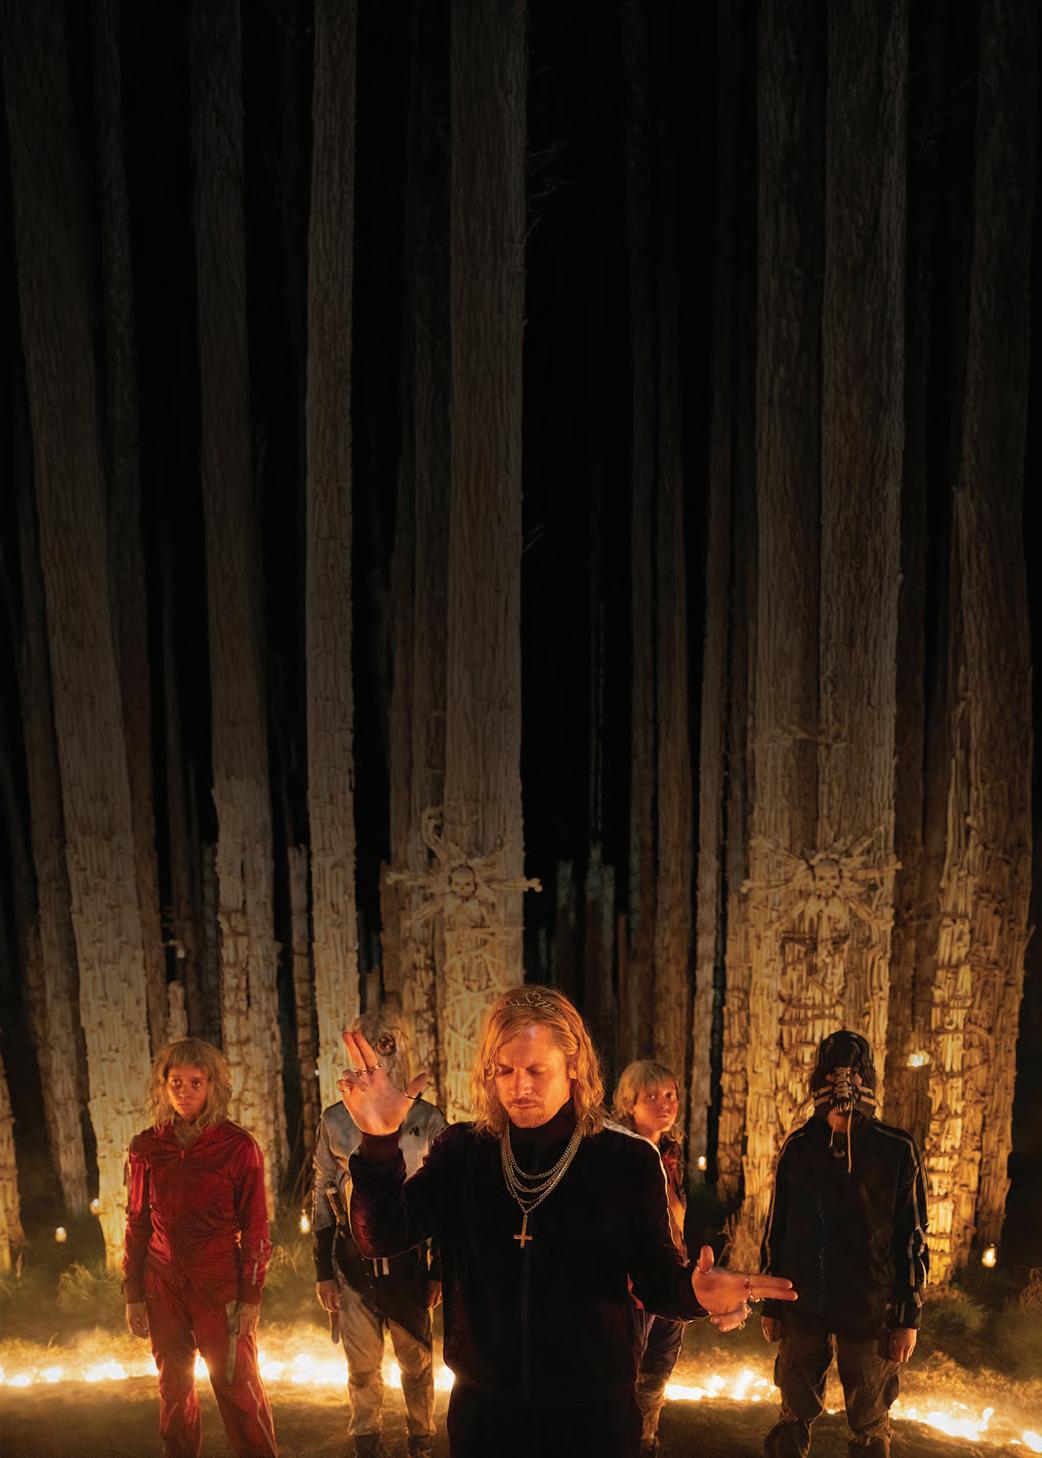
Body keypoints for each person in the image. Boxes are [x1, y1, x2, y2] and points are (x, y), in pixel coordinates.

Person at [338, 984, 797, 1458]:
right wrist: (379, 1141)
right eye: (504, 1070)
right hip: (485, 1416)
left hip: (592, 1418)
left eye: (537, 1070)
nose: (519, 1087)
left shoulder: (625, 1161)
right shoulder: (464, 1152)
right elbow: (380, 1235)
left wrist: (695, 1292)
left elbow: (655, 1278)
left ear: (574, 1065)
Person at [759, 1030, 929, 1458]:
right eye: (833, 1075)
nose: (843, 1086)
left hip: (870, 1302)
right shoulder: (799, 1148)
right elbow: (777, 1227)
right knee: (794, 1407)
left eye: (852, 1075)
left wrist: (907, 1317)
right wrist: (772, 1304)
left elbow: (912, 1236)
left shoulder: (896, 1150)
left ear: (865, 1079)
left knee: (870, 1415)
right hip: (804, 1298)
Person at [123, 1037, 278, 1458]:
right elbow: (137, 1222)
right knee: (173, 1390)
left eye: (196, 1082)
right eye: (176, 1081)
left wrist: (251, 1296)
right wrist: (134, 1292)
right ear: (163, 1085)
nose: (185, 1091)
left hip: (218, 1286)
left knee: (237, 1387)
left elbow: (256, 1227)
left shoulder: (238, 1147)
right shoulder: (148, 1147)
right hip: (162, 1287)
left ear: (213, 1086)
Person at [312, 1008, 446, 1458]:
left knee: (416, 1361)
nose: (378, 1056)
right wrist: (323, 1269)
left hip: (409, 1262)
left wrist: (438, 1269)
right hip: (353, 1261)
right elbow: (323, 1190)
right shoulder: (335, 1121)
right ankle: (366, 1438)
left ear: (401, 1048)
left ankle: (421, 1437)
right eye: (369, 1046)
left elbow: (444, 1197)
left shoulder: (427, 1119)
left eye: (386, 1044)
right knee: (362, 1364)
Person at [610, 1059, 688, 1457]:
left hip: (671, 1279)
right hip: (632, 1287)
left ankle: (646, 1437)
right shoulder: (618, 1156)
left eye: (670, 1095)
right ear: (630, 1103)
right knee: (626, 1371)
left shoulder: (669, 1156)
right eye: (652, 1096)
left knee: (658, 1368)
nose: (665, 1104)